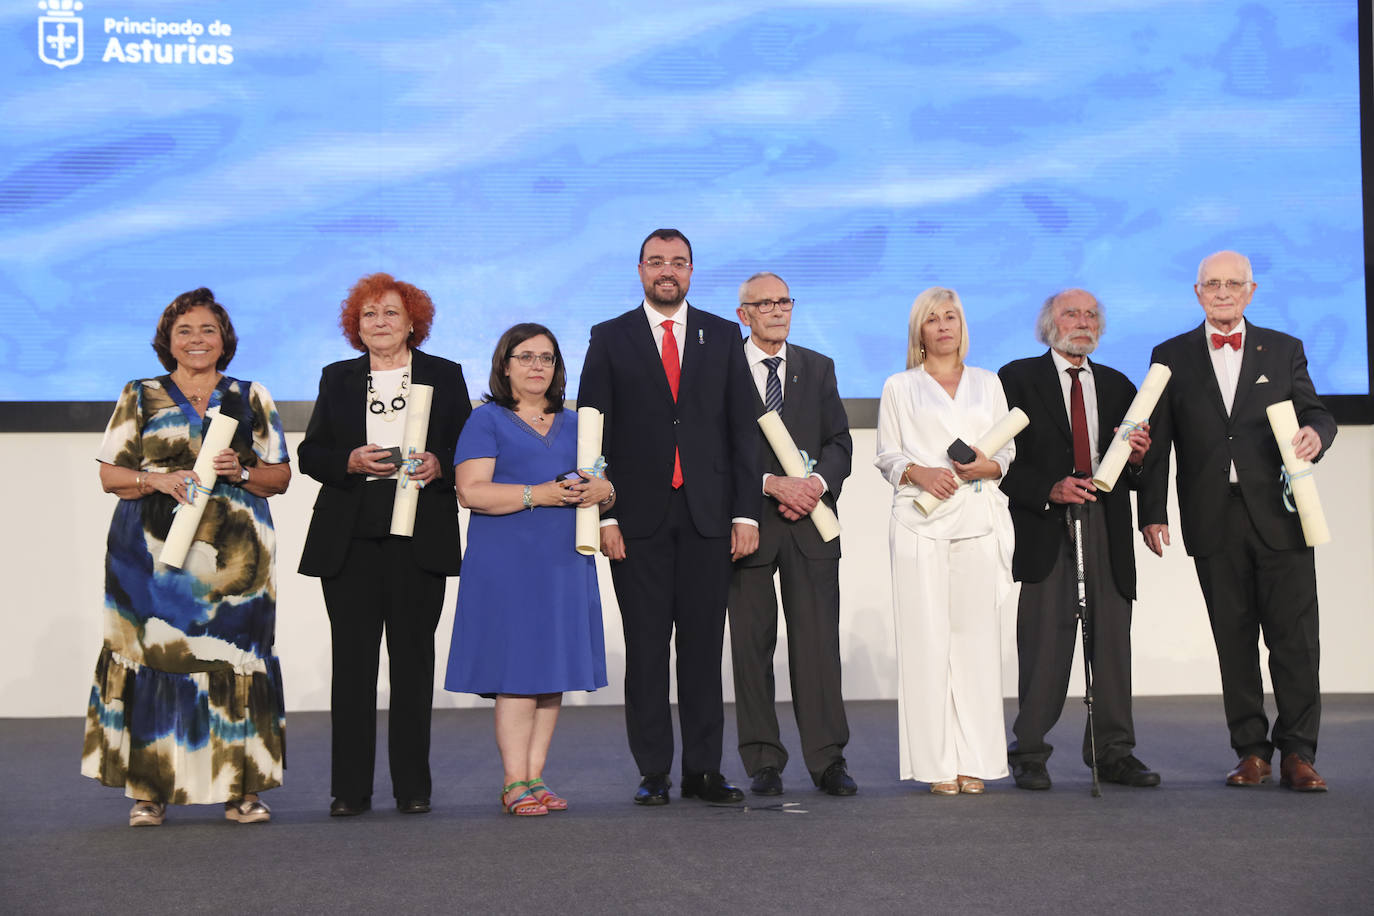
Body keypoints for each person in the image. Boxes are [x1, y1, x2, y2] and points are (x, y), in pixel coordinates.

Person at [83, 287, 292, 827]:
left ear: (225, 339)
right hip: (150, 562)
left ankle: (241, 791)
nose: (197, 339)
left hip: (236, 572)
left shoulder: (252, 396)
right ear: (167, 341)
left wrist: (239, 472)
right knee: (155, 661)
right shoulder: (139, 393)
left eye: (208, 330)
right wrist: (156, 478)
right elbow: (110, 476)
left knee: (236, 663)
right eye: (185, 330)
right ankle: (149, 791)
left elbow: (280, 478)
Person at [577, 228, 761, 806]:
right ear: (639, 271)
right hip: (636, 522)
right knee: (647, 648)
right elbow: (592, 432)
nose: (667, 271)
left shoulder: (725, 334)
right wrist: (604, 517)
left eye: (678, 263)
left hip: (709, 518)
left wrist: (746, 515)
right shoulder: (609, 338)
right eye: (656, 262)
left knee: (704, 650)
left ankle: (704, 770)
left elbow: (742, 431)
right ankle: (653, 770)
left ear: (690, 272)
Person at [1140, 250, 1336, 792]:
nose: (1223, 292)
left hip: (1281, 514)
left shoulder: (1285, 347)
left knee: (1295, 640)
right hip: (1211, 515)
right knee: (1233, 638)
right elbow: (1155, 442)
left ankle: (1299, 753)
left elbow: (1315, 412)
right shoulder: (1170, 354)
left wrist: (1316, 436)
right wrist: (1151, 512)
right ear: (1197, 292)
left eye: (1233, 284)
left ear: (1251, 290)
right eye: (1212, 284)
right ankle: (1251, 751)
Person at [298, 272, 471, 816]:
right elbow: (311, 454)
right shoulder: (338, 377)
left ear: (412, 321)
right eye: (369, 314)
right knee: (352, 666)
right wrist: (347, 460)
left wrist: (441, 462)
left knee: (413, 665)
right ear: (356, 325)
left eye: (391, 313)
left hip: (420, 536)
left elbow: (467, 449)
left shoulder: (446, 375)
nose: (380, 322)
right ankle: (350, 790)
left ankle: (412, 788)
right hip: (349, 538)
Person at [444, 324, 614, 816]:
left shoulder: (580, 422)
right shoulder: (486, 420)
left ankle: (536, 776)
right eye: (526, 357)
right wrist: (535, 494)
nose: (537, 366)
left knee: (551, 671)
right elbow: (471, 491)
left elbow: (600, 482)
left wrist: (607, 493)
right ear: (505, 365)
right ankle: (513, 781)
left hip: (564, 558)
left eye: (547, 358)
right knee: (518, 673)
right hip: (507, 562)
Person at [1000, 289, 1160, 790]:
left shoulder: (1118, 384)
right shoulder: (1016, 379)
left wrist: (1136, 459)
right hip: (1047, 524)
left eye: (1092, 314)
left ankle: (1112, 752)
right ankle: (1029, 751)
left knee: (1111, 642)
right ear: (1049, 322)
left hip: (1105, 523)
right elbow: (998, 461)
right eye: (1072, 313)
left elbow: (1143, 468)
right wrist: (1048, 487)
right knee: (1045, 642)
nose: (1083, 322)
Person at [874, 286, 1014, 796]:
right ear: (920, 331)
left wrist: (987, 466)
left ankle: (975, 759)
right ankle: (936, 764)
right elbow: (887, 455)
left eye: (951, 316)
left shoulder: (987, 382)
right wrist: (920, 472)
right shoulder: (899, 386)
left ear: (962, 325)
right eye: (932, 319)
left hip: (977, 518)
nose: (943, 326)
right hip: (919, 521)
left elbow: (1008, 453)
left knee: (976, 644)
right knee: (926, 642)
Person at [728, 272, 857, 798]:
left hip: (811, 526)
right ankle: (763, 761)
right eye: (765, 304)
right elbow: (712, 450)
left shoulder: (817, 367)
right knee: (751, 647)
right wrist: (770, 484)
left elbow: (840, 442)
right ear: (744, 315)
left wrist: (816, 484)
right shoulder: (722, 370)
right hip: (750, 526)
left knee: (818, 648)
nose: (777, 311)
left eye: (784, 301)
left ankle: (828, 761)